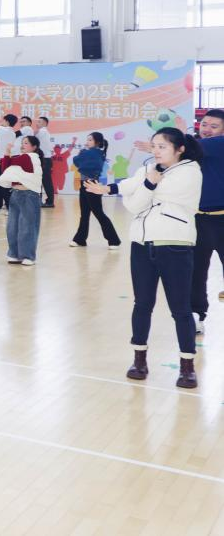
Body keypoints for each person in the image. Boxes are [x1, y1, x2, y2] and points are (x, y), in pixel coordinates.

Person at [85, 128, 203, 389]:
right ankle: (139, 360)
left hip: (175, 245)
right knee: (142, 304)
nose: (156, 151)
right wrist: (134, 186)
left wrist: (146, 186)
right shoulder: (150, 168)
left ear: (180, 149)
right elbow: (132, 200)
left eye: (162, 146)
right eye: (154, 146)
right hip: (141, 244)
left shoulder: (190, 171)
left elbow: (144, 196)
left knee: (181, 309)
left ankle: (187, 366)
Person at [189, 109, 223, 333]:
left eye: (213, 126)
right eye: (204, 124)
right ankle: (196, 315)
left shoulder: (217, 144)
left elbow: (188, 146)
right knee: (196, 270)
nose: (207, 129)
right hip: (198, 219)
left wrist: (166, 142)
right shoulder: (194, 148)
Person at [0, 135, 44, 265]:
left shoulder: (30, 157)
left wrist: (6, 155)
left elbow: (8, 163)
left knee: (27, 227)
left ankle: (28, 256)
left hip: (29, 195)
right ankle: (14, 254)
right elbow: (5, 168)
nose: (23, 145)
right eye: (22, 143)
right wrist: (6, 156)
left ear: (34, 147)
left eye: (26, 143)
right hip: (15, 194)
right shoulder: (21, 158)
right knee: (12, 227)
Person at [69, 132, 122, 249]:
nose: (87, 142)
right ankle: (80, 239)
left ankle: (114, 240)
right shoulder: (92, 153)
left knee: (98, 213)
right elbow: (79, 162)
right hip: (85, 184)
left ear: (97, 142)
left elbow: (77, 161)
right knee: (85, 214)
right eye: (87, 140)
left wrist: (80, 155)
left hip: (92, 185)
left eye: (90, 140)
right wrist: (80, 155)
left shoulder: (93, 153)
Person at [0, 114, 20, 215]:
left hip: (2, 160)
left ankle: (10, 208)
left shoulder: (3, 130)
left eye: (3, 120)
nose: (1, 122)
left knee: (4, 185)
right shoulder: (11, 132)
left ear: (7, 121)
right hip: (2, 159)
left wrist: (1, 160)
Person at [36, 117, 55, 208]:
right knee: (43, 181)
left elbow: (33, 140)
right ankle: (43, 201)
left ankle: (49, 202)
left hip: (44, 160)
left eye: (39, 122)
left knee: (46, 182)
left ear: (44, 123)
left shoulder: (42, 131)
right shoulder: (44, 132)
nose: (37, 123)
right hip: (44, 159)